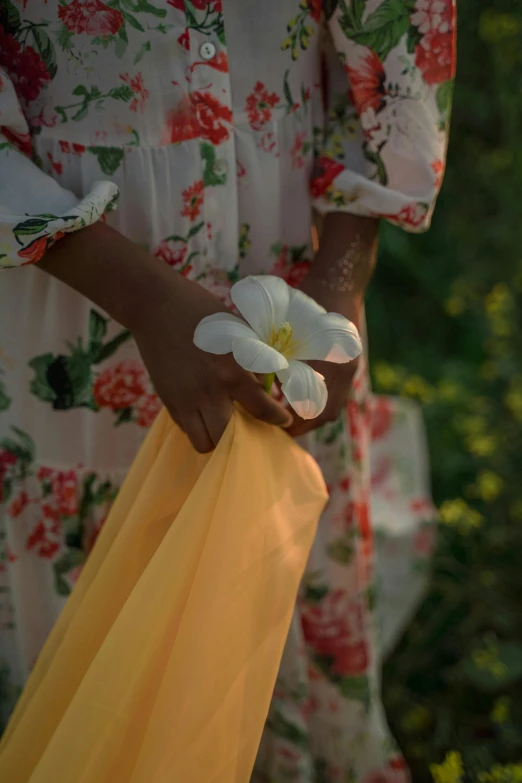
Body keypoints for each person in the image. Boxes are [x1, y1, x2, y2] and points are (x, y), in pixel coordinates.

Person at [0, 0, 456, 779]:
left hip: (289, 274)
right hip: (69, 282)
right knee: (106, 612)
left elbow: (396, 40)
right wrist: (143, 299)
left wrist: (341, 279)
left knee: (264, 566)